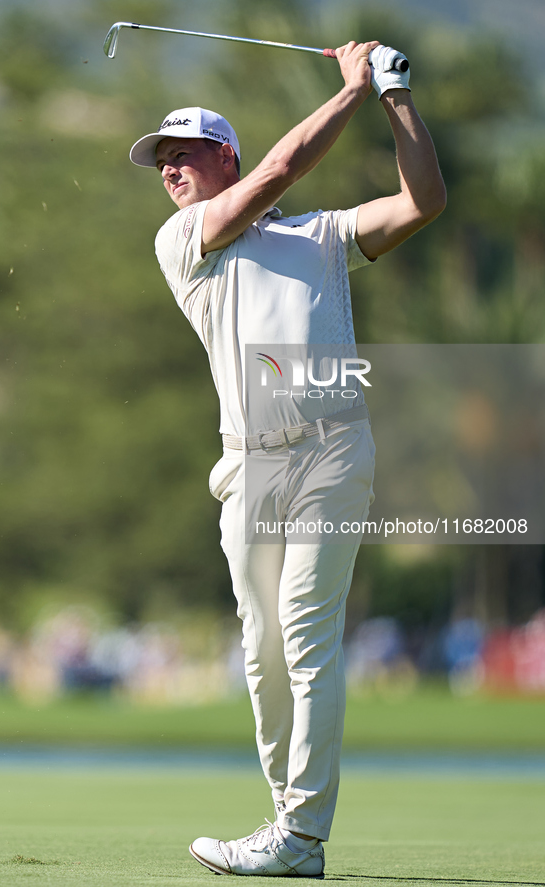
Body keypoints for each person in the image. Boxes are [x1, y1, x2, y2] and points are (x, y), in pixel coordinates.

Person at [129, 41, 446, 879]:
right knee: (264, 648)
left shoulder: (322, 237)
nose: (169, 169)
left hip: (331, 450)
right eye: (162, 159)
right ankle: (285, 824)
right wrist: (347, 91)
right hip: (247, 466)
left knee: (305, 632)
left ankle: (300, 834)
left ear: (219, 154)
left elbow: (425, 201)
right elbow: (274, 172)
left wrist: (392, 96)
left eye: (183, 153)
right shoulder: (185, 241)